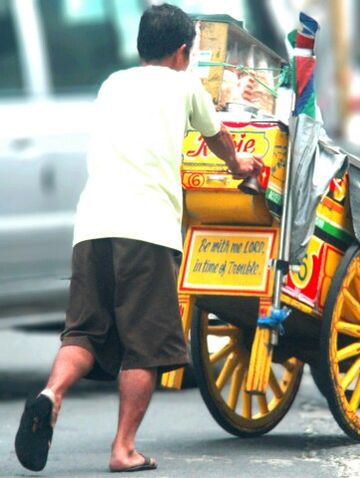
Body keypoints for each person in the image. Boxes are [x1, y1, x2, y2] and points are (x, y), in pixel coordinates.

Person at [14, 4, 263, 473]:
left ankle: (52, 394)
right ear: (183, 51)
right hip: (146, 229)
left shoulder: (112, 84)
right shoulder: (185, 85)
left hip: (91, 227)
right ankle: (123, 449)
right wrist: (240, 167)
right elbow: (218, 139)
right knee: (143, 344)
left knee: (83, 332)